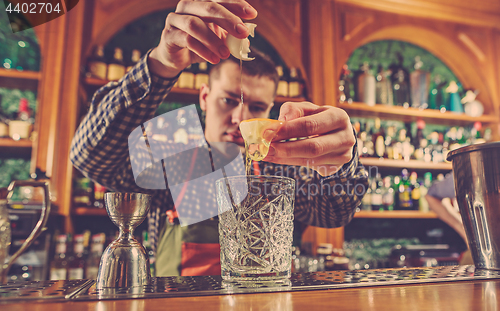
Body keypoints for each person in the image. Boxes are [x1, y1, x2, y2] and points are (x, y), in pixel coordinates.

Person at [70, 0, 368, 276]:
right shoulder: (173, 159)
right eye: (228, 100)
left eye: (256, 107)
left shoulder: (280, 169)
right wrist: (161, 64)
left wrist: (340, 163)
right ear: (204, 97)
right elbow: (92, 156)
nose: (240, 119)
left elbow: (334, 211)